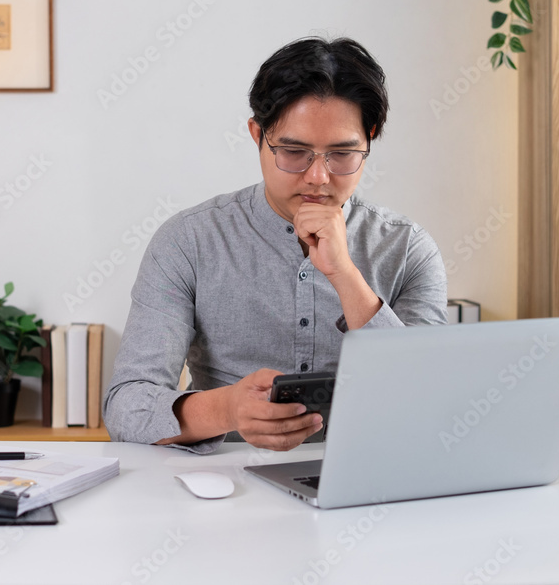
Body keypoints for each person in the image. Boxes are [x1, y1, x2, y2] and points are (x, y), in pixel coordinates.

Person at [103, 37, 447, 455]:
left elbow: (428, 401)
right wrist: (228, 408)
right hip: (222, 485)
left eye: (342, 154)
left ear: (369, 138)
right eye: (294, 151)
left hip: (368, 477)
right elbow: (127, 406)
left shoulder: (408, 248)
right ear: (257, 135)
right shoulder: (189, 240)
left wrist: (344, 274)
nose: (318, 176)